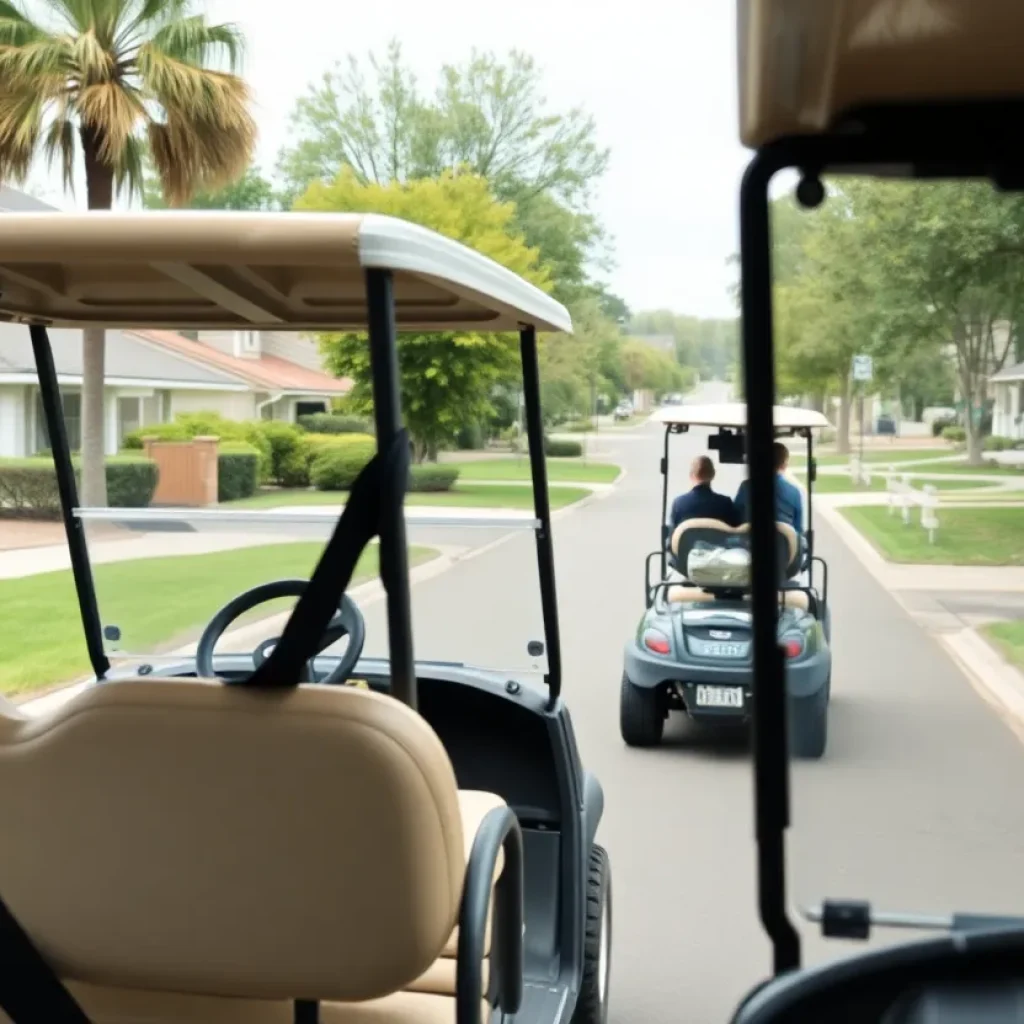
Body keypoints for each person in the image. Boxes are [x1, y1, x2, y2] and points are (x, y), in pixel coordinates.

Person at [734, 440, 803, 532]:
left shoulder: (746, 486)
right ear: (784, 465)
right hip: (785, 543)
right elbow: (797, 527)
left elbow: (735, 517)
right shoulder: (794, 492)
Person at [668, 455, 740, 533]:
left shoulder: (678, 504)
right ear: (713, 474)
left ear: (691, 475)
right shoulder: (725, 504)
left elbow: (671, 540)